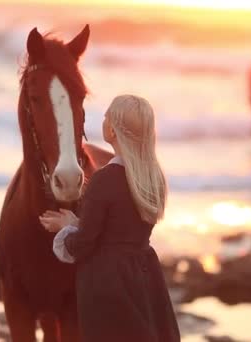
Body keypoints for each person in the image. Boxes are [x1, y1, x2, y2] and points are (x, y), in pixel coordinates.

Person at [39, 94, 181, 342]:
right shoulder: (153, 177)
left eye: (106, 116)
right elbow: (120, 229)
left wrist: (66, 230)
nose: (102, 120)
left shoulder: (105, 179)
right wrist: (75, 223)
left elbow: (84, 245)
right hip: (143, 274)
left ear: (113, 131)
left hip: (108, 280)